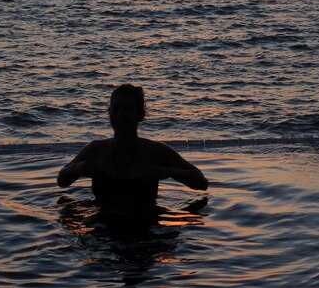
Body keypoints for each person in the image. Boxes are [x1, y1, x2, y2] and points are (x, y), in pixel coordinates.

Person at [57, 84, 208, 211]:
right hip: (103, 229)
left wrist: (169, 171)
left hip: (144, 230)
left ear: (141, 114)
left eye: (128, 109)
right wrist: (77, 168)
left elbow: (201, 183)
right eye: (116, 109)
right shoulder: (96, 149)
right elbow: (61, 181)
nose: (121, 114)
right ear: (109, 113)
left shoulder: (156, 151)